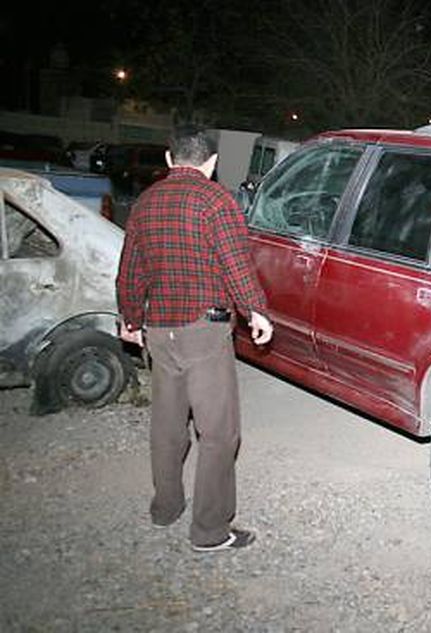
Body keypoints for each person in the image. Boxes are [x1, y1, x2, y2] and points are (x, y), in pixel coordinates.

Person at [116, 125, 273, 552]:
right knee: (218, 433)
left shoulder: (145, 202)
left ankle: (165, 508)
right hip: (203, 330)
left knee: (167, 427)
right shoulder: (216, 201)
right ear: (212, 162)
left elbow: (131, 270)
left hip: (159, 331)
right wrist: (256, 310)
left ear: (169, 159)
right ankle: (209, 531)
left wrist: (130, 317)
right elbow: (235, 263)